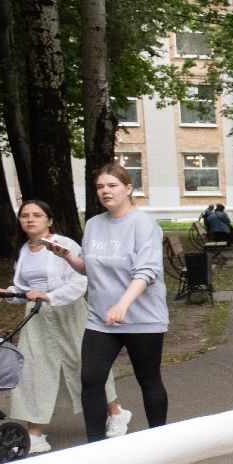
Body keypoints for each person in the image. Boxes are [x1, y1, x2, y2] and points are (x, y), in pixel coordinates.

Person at [0, 199, 129, 453]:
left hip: (69, 311)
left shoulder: (64, 245)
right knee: (33, 370)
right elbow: (23, 288)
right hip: (38, 317)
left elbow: (80, 281)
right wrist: (5, 292)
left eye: (37, 215)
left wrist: (48, 296)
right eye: (25, 215)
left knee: (85, 364)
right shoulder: (24, 250)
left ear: (49, 220)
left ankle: (115, 411)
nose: (30, 219)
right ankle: (34, 432)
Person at [46, 162, 169, 442]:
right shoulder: (93, 224)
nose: (105, 191)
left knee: (148, 379)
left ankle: (160, 441)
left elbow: (147, 272)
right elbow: (89, 268)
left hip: (143, 318)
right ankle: (95, 445)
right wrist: (66, 255)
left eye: (112, 185)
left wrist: (123, 305)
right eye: (100, 187)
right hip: (101, 319)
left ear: (128, 188)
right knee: (90, 380)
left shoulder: (144, 225)